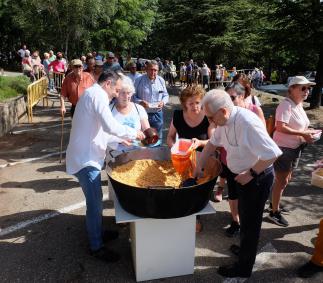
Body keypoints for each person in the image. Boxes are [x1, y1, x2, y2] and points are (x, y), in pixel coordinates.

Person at [194, 89, 282, 278]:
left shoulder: (247, 122)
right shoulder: (223, 122)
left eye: (210, 117)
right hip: (242, 176)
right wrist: (199, 166)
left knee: (251, 224)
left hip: (257, 178)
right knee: (244, 217)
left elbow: (273, 153)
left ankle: (243, 268)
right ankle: (245, 251)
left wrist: (251, 173)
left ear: (224, 111)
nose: (209, 122)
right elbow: (211, 144)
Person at [66, 71, 145, 263]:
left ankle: (98, 232)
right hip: (86, 159)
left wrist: (121, 138)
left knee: (96, 200)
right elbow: (110, 126)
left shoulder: (93, 94)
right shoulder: (98, 95)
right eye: (116, 90)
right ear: (108, 84)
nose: (117, 94)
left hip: (86, 155)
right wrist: (134, 133)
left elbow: (101, 130)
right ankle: (96, 246)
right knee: (94, 202)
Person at [219, 82, 266, 237]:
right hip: (229, 160)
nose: (229, 102)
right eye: (226, 98)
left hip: (251, 165)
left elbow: (264, 138)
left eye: (232, 97)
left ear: (242, 96)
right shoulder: (225, 113)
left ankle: (247, 231)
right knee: (233, 193)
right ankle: (235, 221)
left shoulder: (254, 111)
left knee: (248, 200)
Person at [268, 76, 316, 227]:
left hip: (295, 148)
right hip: (284, 149)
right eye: (303, 88)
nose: (306, 91)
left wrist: (310, 132)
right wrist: (303, 134)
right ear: (291, 89)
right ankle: (274, 212)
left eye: (308, 88)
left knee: (285, 180)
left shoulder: (298, 104)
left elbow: (299, 125)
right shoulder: (285, 105)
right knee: (281, 181)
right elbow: (280, 127)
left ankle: (273, 204)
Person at [167, 85, 215, 232]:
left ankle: (195, 218)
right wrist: (174, 147)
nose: (195, 106)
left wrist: (200, 142)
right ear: (184, 104)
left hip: (204, 161)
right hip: (183, 159)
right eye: (191, 103)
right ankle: (182, 215)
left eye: (198, 102)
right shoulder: (177, 115)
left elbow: (214, 141)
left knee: (197, 191)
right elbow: (169, 137)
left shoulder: (208, 117)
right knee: (184, 188)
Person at [108, 75, 150, 151]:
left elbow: (147, 130)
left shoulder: (139, 109)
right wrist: (119, 140)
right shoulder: (108, 110)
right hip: (114, 153)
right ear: (116, 93)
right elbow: (103, 134)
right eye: (123, 93)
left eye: (129, 93)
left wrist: (147, 136)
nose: (126, 96)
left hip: (136, 152)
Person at [133, 60, 169, 144]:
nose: (153, 72)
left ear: (158, 71)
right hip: (142, 114)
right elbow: (132, 96)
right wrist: (140, 102)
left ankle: (156, 154)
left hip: (157, 114)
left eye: (155, 70)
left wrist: (163, 102)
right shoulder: (139, 80)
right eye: (151, 69)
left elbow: (166, 95)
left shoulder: (161, 80)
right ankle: (143, 155)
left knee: (157, 138)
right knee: (143, 138)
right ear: (146, 70)